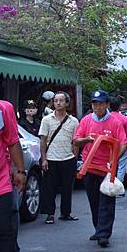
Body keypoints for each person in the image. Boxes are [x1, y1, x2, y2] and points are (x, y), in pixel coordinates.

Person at [73, 90, 127, 248]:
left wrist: (114, 158)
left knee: (107, 202)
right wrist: (86, 140)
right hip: (89, 167)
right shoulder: (86, 120)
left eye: (101, 104)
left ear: (107, 104)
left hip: (107, 169)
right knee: (94, 201)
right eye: (95, 103)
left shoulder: (115, 122)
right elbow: (76, 141)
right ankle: (98, 229)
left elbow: (123, 143)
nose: (97, 107)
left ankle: (104, 234)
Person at [38, 91, 80, 224]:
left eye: (61, 101)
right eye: (56, 101)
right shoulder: (46, 120)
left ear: (67, 103)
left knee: (68, 188)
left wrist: (75, 156)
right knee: (50, 189)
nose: (58, 103)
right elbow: (43, 141)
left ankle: (66, 213)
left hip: (68, 159)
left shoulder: (74, 121)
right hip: (51, 158)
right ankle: (50, 214)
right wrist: (44, 159)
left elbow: (76, 141)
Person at [0, 98, 25, 252]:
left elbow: (12, 141)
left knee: (4, 232)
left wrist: (21, 171)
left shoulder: (3, 108)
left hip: (0, 184)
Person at [108, 96, 127, 186]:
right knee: (121, 167)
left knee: (108, 166)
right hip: (121, 145)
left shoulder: (106, 117)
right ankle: (118, 187)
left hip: (108, 145)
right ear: (119, 106)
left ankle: (108, 184)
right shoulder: (123, 119)